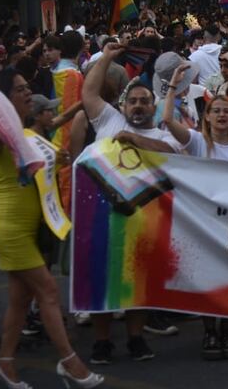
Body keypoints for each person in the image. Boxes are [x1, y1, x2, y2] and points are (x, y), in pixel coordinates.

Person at [0, 69, 103, 388]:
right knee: (48, 291)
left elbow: (47, 151)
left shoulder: (30, 135)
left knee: (20, 301)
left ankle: (4, 364)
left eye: (26, 89)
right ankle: (69, 362)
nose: (26, 93)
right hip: (11, 231)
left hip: (30, 230)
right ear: (5, 99)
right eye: (19, 89)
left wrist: (61, 158)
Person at [82, 43, 181, 365]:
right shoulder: (107, 120)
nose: (138, 106)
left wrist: (138, 141)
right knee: (101, 281)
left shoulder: (163, 136)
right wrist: (107, 57)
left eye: (144, 101)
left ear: (153, 106)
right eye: (133, 101)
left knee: (138, 281)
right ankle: (102, 342)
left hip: (144, 219)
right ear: (122, 105)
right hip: (101, 217)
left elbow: (174, 156)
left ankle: (136, 339)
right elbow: (89, 93)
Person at [161, 72, 228, 361]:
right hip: (203, 223)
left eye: (227, 111)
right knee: (207, 280)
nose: (223, 115)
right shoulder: (198, 142)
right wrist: (174, 87)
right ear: (208, 116)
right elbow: (167, 120)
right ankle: (210, 331)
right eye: (217, 111)